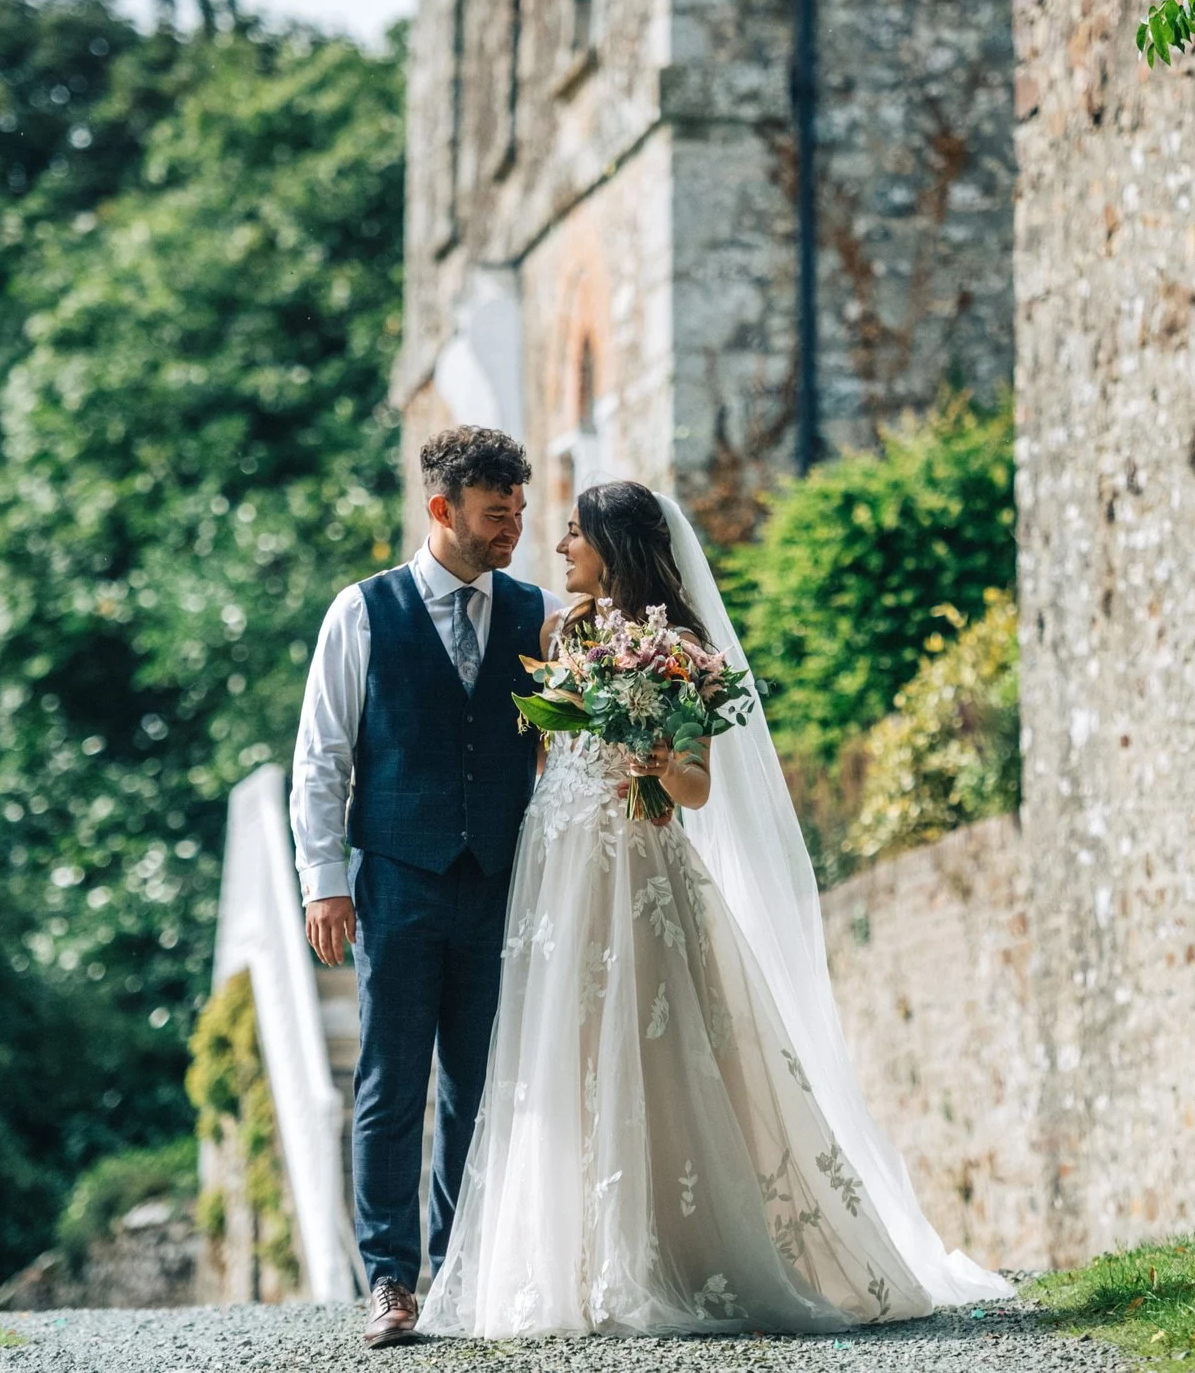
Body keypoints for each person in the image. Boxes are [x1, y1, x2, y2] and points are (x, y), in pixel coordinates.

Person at [417, 479, 1009, 1337]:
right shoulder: (563, 633)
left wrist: (654, 761)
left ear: (613, 547)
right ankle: (576, 1259)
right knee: (562, 1056)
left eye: (575, 533)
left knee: (661, 1053)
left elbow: (693, 786)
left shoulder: (683, 649)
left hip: (637, 869)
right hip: (560, 869)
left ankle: (677, 1251)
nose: (560, 548)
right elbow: (549, 755)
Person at [287, 426, 545, 1348]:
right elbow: (321, 758)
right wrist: (324, 881)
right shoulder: (360, 613)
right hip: (395, 878)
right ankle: (391, 1279)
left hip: (500, 883)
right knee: (392, 1082)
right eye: (495, 512)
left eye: (518, 509)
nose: (513, 526)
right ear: (442, 511)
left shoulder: (533, 612)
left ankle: (462, 1267)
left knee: (479, 1084)